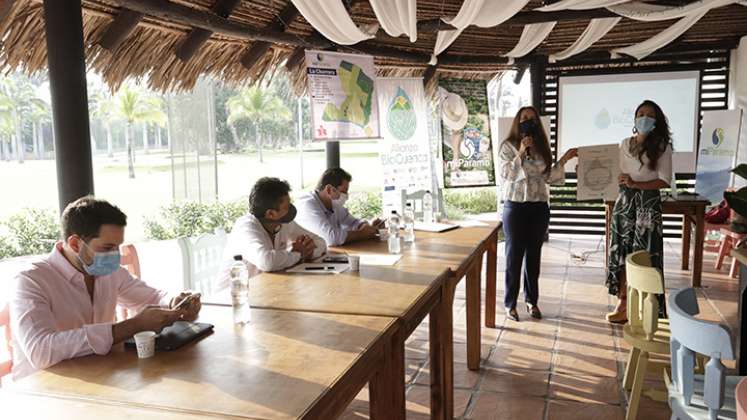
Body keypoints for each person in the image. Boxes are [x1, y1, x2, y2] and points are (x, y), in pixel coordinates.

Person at [10, 197, 201, 379]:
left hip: (99, 373)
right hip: (41, 391)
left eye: (117, 246)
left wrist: (173, 302)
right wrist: (133, 325)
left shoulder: (109, 271)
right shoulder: (31, 280)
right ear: (75, 244)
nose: (115, 255)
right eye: (107, 247)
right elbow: (40, 351)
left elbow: (151, 296)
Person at [498, 106, 577, 322]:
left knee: (533, 257)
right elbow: (506, 174)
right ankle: (510, 304)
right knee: (514, 257)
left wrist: (564, 160)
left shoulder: (542, 147)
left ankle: (532, 301)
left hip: (539, 207)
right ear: (517, 121)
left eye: (532, 119)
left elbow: (549, 177)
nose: (528, 121)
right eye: (524, 118)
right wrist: (522, 152)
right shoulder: (508, 146)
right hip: (515, 206)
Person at [605, 100, 673, 324]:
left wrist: (637, 184)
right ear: (634, 119)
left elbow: (664, 181)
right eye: (640, 114)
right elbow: (612, 170)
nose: (644, 118)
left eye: (649, 115)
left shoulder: (662, 146)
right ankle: (624, 303)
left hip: (647, 205)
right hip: (625, 204)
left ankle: (648, 306)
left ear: (657, 121)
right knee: (623, 252)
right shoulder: (625, 144)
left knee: (645, 253)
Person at [223, 177, 326, 278]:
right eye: (286, 207)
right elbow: (267, 262)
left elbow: (320, 242)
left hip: (266, 288)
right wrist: (298, 254)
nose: (291, 209)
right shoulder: (245, 227)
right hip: (234, 292)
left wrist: (308, 252)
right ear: (271, 214)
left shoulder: (284, 223)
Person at [295, 168, 384, 246]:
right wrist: (362, 233)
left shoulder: (333, 204)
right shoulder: (307, 205)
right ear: (329, 189)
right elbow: (331, 238)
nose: (346, 196)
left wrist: (366, 226)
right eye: (343, 192)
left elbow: (353, 222)